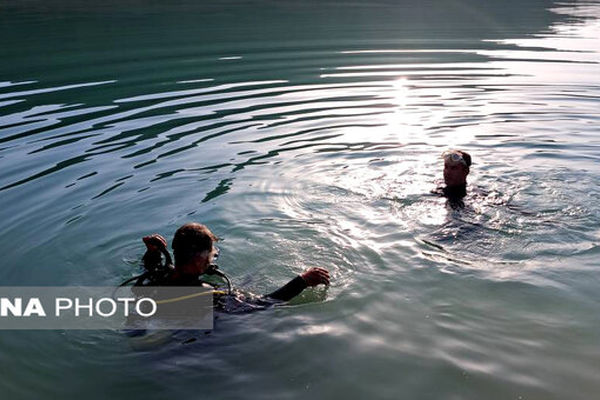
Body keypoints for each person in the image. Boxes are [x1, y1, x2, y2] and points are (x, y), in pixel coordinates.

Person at [135, 223, 330, 311]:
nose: (213, 259)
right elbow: (264, 303)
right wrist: (302, 281)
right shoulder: (207, 295)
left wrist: (152, 252)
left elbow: (149, 268)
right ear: (198, 260)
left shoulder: (160, 275)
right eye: (211, 255)